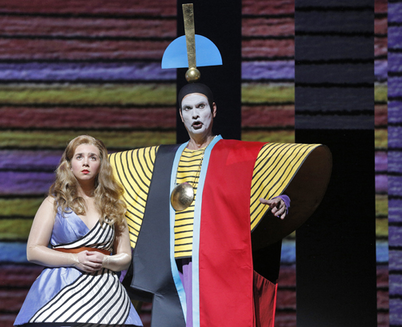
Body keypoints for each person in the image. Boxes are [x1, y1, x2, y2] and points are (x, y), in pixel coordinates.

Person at [108, 83, 331, 327]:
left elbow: (276, 176)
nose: (195, 114)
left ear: (213, 110)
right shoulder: (163, 159)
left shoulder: (236, 154)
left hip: (218, 264)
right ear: (180, 115)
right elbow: (118, 169)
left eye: (201, 107)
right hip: (172, 268)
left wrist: (284, 200)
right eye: (188, 108)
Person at [14, 135, 143, 327]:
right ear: (69, 164)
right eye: (79, 156)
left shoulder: (114, 205)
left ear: (101, 164)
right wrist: (75, 259)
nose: (86, 162)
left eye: (93, 157)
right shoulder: (54, 203)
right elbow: (33, 251)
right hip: (59, 291)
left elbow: (125, 256)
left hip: (105, 295)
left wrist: (106, 260)